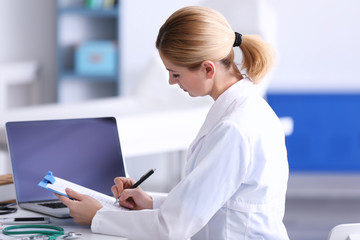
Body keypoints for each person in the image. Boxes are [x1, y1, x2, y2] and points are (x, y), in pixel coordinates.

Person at [57, 6, 289, 240]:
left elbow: (173, 229)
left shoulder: (234, 128)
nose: (170, 81)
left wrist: (98, 216)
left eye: (175, 74)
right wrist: (149, 202)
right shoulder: (246, 108)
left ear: (208, 69)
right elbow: (213, 200)